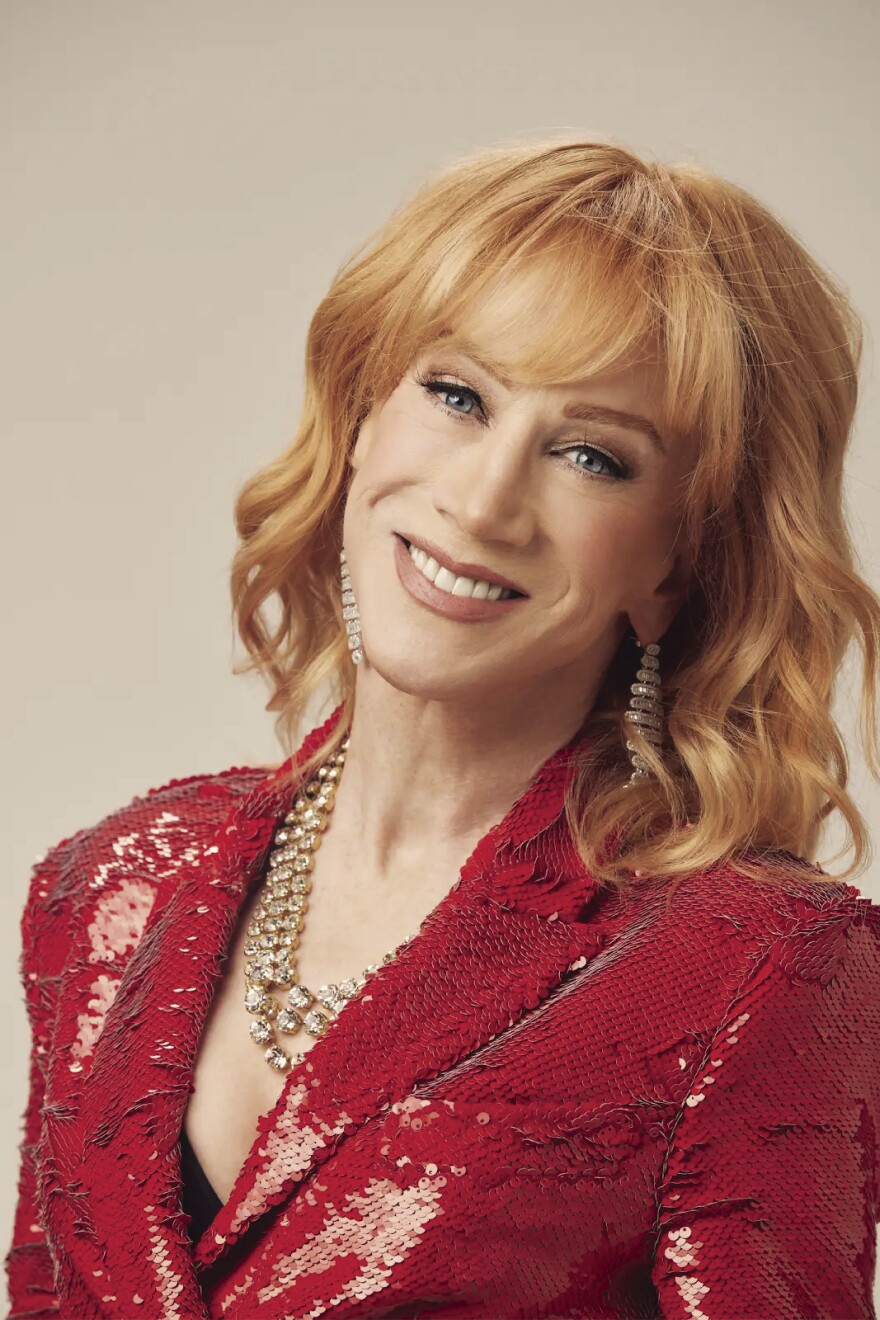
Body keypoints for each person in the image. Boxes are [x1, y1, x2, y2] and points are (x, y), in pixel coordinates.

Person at [6, 134, 880, 1320]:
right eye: (457, 395)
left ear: (678, 563)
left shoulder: (759, 966)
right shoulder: (109, 882)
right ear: (362, 418)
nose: (480, 500)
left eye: (591, 456)